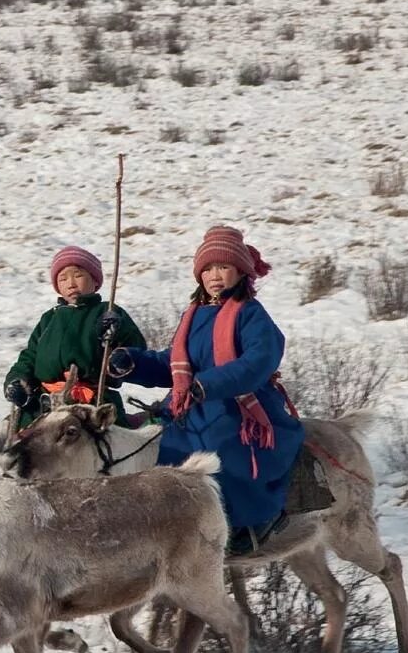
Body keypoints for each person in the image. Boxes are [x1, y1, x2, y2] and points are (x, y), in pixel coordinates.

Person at [107, 226, 304, 556]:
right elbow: (175, 362)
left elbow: (259, 360)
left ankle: (245, 525)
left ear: (240, 271)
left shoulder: (250, 313)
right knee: (162, 454)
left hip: (239, 407)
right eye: (208, 269)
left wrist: (208, 385)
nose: (215, 275)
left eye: (224, 267)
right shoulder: (194, 314)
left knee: (222, 451)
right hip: (191, 406)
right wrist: (133, 362)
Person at [3, 245, 147, 430]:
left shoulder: (108, 312)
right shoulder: (49, 319)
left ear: (95, 281)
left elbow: (136, 349)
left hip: (92, 403)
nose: (71, 283)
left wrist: (118, 345)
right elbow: (30, 357)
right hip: (43, 405)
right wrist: (17, 381)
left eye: (78, 275)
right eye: (63, 278)